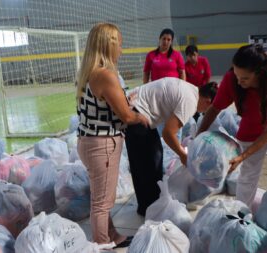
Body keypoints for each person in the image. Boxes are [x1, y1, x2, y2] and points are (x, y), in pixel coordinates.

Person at [197, 44, 267, 208]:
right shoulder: (232, 79)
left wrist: (242, 156)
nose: (239, 81)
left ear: (259, 73)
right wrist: (199, 136)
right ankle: (241, 214)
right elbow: (214, 109)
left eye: (244, 78)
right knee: (247, 175)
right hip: (251, 125)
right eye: (237, 75)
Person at [76, 23, 149, 248]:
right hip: (102, 144)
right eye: (120, 45)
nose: (121, 51)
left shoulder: (89, 71)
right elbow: (126, 116)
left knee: (101, 197)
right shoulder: (105, 74)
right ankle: (101, 244)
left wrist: (126, 99)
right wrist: (140, 117)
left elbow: (106, 106)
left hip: (89, 141)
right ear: (109, 45)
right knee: (102, 202)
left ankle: (113, 235)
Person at [125, 78, 217, 216]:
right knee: (148, 162)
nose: (204, 113)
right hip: (136, 113)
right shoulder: (190, 102)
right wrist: (182, 154)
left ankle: (148, 206)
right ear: (208, 101)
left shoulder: (191, 90)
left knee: (150, 158)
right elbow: (168, 133)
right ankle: (150, 209)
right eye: (208, 110)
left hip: (135, 108)